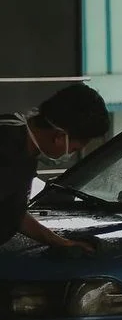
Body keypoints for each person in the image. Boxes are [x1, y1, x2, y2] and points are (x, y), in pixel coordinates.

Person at [0, 83, 110, 251]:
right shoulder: (7, 149)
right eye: (74, 149)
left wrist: (62, 243)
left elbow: (13, 214)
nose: (71, 155)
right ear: (59, 137)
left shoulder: (24, 148)